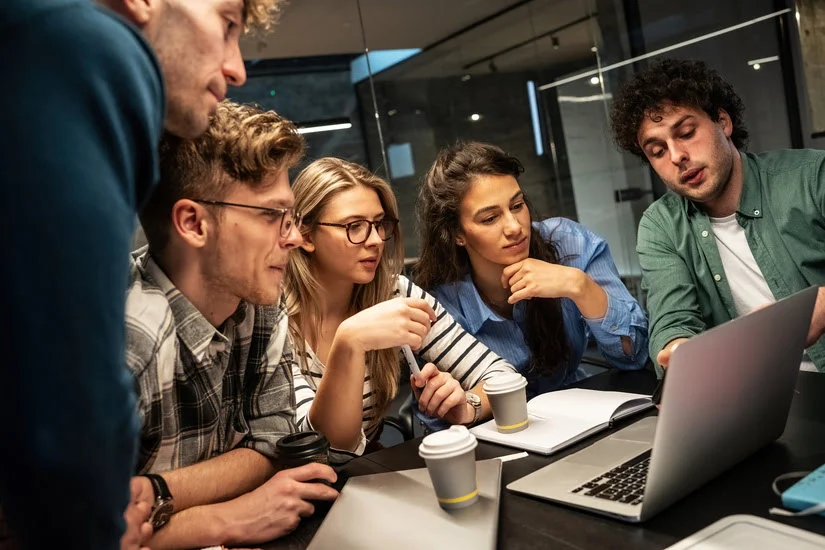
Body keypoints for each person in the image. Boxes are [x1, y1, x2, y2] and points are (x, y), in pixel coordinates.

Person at [2, 0, 285, 547]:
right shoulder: (92, 44)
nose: (237, 68)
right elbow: (63, 414)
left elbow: (276, 441)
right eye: (226, 25)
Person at [125, 101, 337, 549]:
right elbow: (86, 532)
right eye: (270, 215)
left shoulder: (258, 300)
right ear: (193, 223)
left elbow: (273, 441)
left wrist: (160, 493)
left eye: (291, 216)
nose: (295, 237)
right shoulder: (128, 338)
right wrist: (221, 519)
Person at [284, 158, 516, 462]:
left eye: (379, 224)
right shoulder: (273, 318)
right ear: (306, 235)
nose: (376, 240)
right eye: (354, 226)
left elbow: (504, 377)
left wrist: (466, 405)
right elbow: (323, 450)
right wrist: (350, 340)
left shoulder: (393, 293)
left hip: (367, 479)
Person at [609, 58, 825, 375]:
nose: (676, 156)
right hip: (756, 395)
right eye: (657, 151)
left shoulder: (811, 177)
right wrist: (677, 350)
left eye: (685, 132)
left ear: (723, 122)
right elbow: (673, 318)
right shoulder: (661, 225)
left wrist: (819, 305)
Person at [415, 142, 649, 398]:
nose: (515, 227)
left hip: (576, 413)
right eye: (490, 218)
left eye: (517, 206)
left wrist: (579, 286)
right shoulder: (442, 302)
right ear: (457, 234)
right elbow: (440, 414)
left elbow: (634, 355)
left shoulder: (570, 244)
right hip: (496, 431)